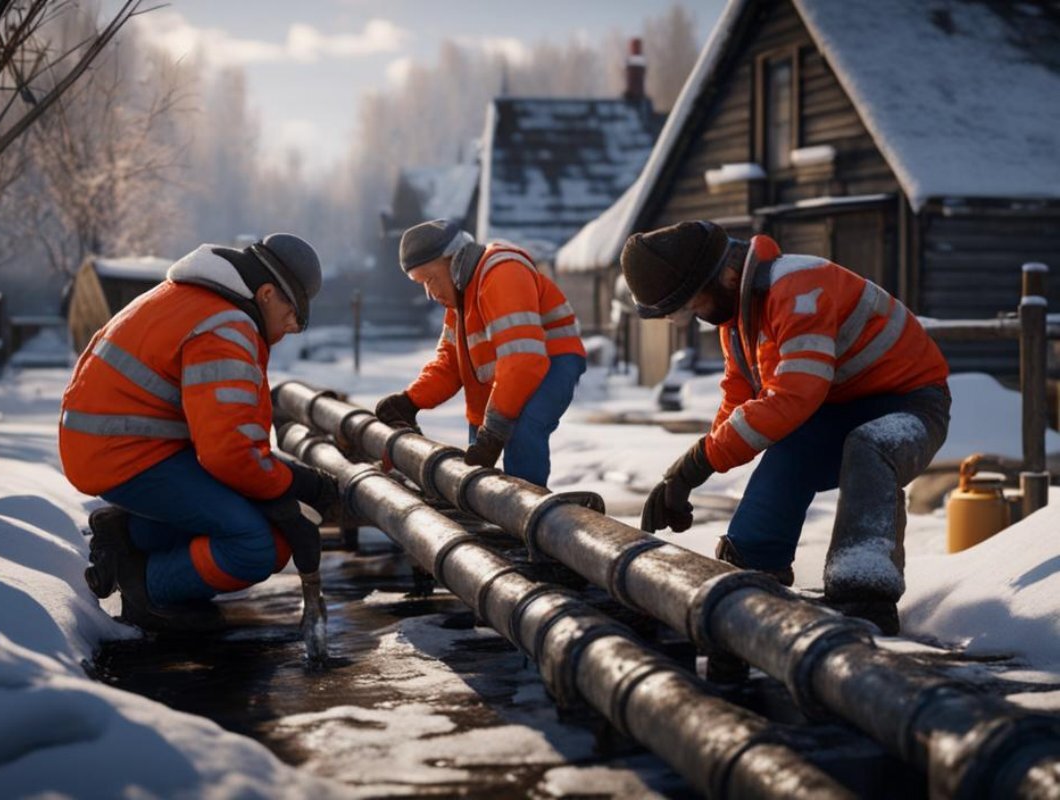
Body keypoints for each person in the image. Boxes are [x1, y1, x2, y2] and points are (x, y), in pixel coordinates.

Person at [621, 220, 950, 645]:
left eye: (689, 306)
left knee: (870, 448)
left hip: (912, 403)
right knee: (792, 449)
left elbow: (794, 394)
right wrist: (687, 473)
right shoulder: (740, 318)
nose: (691, 320)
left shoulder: (799, 288)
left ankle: (865, 595)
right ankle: (752, 570)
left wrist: (699, 464)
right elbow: (739, 400)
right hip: (838, 407)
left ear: (725, 273)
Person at [59, 234, 339, 642]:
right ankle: (145, 587)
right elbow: (227, 453)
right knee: (255, 546)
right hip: (125, 452)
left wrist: (277, 483)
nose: (293, 327)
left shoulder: (195, 299)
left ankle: (127, 536)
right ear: (265, 294)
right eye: (293, 313)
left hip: (114, 444)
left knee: (257, 523)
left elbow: (227, 437)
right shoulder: (226, 324)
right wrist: (292, 484)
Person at [374, 219, 587, 488]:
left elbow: (523, 360)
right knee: (478, 458)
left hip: (554, 360)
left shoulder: (502, 272)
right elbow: (450, 365)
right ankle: (492, 516)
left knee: (523, 431)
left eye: (430, 279)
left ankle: (528, 519)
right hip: (512, 374)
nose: (429, 293)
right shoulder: (461, 301)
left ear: (454, 261)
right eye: (422, 285)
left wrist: (494, 430)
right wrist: (410, 401)